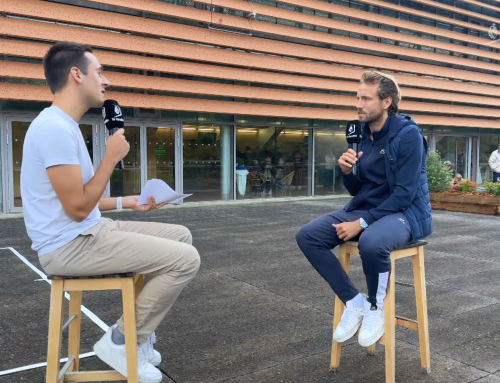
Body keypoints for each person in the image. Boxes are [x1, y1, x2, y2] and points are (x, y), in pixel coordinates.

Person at [20, 42, 200, 383]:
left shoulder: (66, 127)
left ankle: (137, 337)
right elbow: (76, 209)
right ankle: (121, 340)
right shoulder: (53, 130)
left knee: (182, 236)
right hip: (68, 245)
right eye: (99, 72)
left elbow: (78, 200)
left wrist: (129, 202)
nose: (105, 81)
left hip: (89, 230)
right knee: (186, 260)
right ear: (76, 74)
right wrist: (111, 157)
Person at [296, 71, 432, 348]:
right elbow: (358, 189)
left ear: (386, 102)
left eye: (366, 98)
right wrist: (346, 171)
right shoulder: (358, 133)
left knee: (371, 242)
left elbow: (404, 194)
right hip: (370, 208)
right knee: (308, 235)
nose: (358, 104)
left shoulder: (409, 136)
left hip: (406, 213)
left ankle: (375, 307)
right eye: (357, 97)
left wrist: (363, 223)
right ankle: (354, 301)